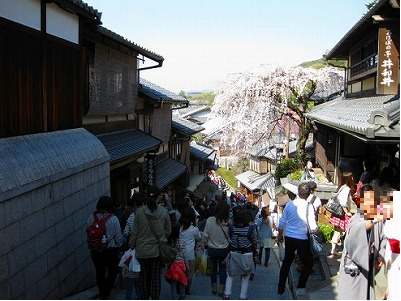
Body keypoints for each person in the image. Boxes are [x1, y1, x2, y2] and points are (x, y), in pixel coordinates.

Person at [337, 184, 387, 299]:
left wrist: (380, 255)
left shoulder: (377, 217)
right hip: (355, 266)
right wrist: (374, 221)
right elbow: (356, 232)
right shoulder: (357, 217)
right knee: (353, 295)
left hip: (369, 262)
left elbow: (383, 236)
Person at [129, 185, 172, 300]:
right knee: (156, 277)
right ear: (159, 197)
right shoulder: (163, 212)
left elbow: (135, 232)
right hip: (157, 250)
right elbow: (168, 231)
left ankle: (144, 298)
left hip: (142, 250)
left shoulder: (139, 212)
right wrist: (162, 237)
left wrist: (131, 245)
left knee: (143, 277)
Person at [277, 183, 317, 296]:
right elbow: (313, 227)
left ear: (298, 192)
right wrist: (316, 232)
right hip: (302, 238)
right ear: (309, 194)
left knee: (287, 262)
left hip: (289, 237)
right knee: (308, 263)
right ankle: (301, 285)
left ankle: (280, 287)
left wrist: (280, 235)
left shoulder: (289, 205)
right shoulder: (309, 206)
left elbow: (282, 223)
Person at [87, 196, 124, 300]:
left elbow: (88, 232)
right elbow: (119, 237)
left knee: (100, 271)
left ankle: (101, 292)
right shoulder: (113, 219)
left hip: (95, 250)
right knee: (113, 271)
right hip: (110, 250)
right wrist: (120, 246)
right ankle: (105, 293)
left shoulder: (91, 217)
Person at [222, 207, 258, 300]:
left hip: (234, 253)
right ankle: (242, 296)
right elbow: (255, 240)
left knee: (230, 275)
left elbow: (229, 238)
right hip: (247, 254)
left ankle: (227, 294)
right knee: (245, 277)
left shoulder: (231, 228)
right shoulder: (250, 229)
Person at [201, 200, 231, 297]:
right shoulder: (228, 222)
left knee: (212, 268)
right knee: (222, 269)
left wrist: (202, 244)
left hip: (212, 249)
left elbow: (205, 235)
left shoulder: (210, 220)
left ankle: (214, 286)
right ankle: (221, 288)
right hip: (224, 250)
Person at [329, 171, 357, 255]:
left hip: (338, 213)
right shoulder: (346, 189)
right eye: (351, 177)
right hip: (342, 214)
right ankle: (335, 249)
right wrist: (347, 212)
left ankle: (334, 249)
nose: (353, 178)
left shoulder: (342, 187)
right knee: (343, 230)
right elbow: (343, 202)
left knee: (338, 230)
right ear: (349, 179)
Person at [178, 207, 202, 295]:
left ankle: (180, 289)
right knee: (190, 273)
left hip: (179, 253)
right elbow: (199, 238)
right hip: (189, 254)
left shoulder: (180, 227)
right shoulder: (193, 229)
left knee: (180, 271)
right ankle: (186, 289)